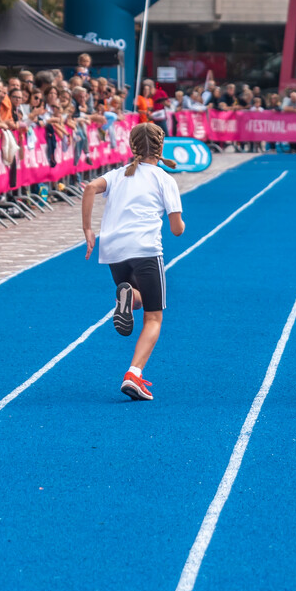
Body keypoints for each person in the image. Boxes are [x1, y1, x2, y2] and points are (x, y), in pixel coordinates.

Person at [79, 123, 183, 401]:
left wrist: (88, 230)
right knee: (153, 317)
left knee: (137, 297)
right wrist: (180, 221)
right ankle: (133, 374)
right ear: (161, 148)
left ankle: (127, 296)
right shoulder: (164, 179)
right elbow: (176, 229)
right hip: (146, 250)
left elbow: (89, 187)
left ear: (132, 148)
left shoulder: (117, 175)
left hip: (114, 252)